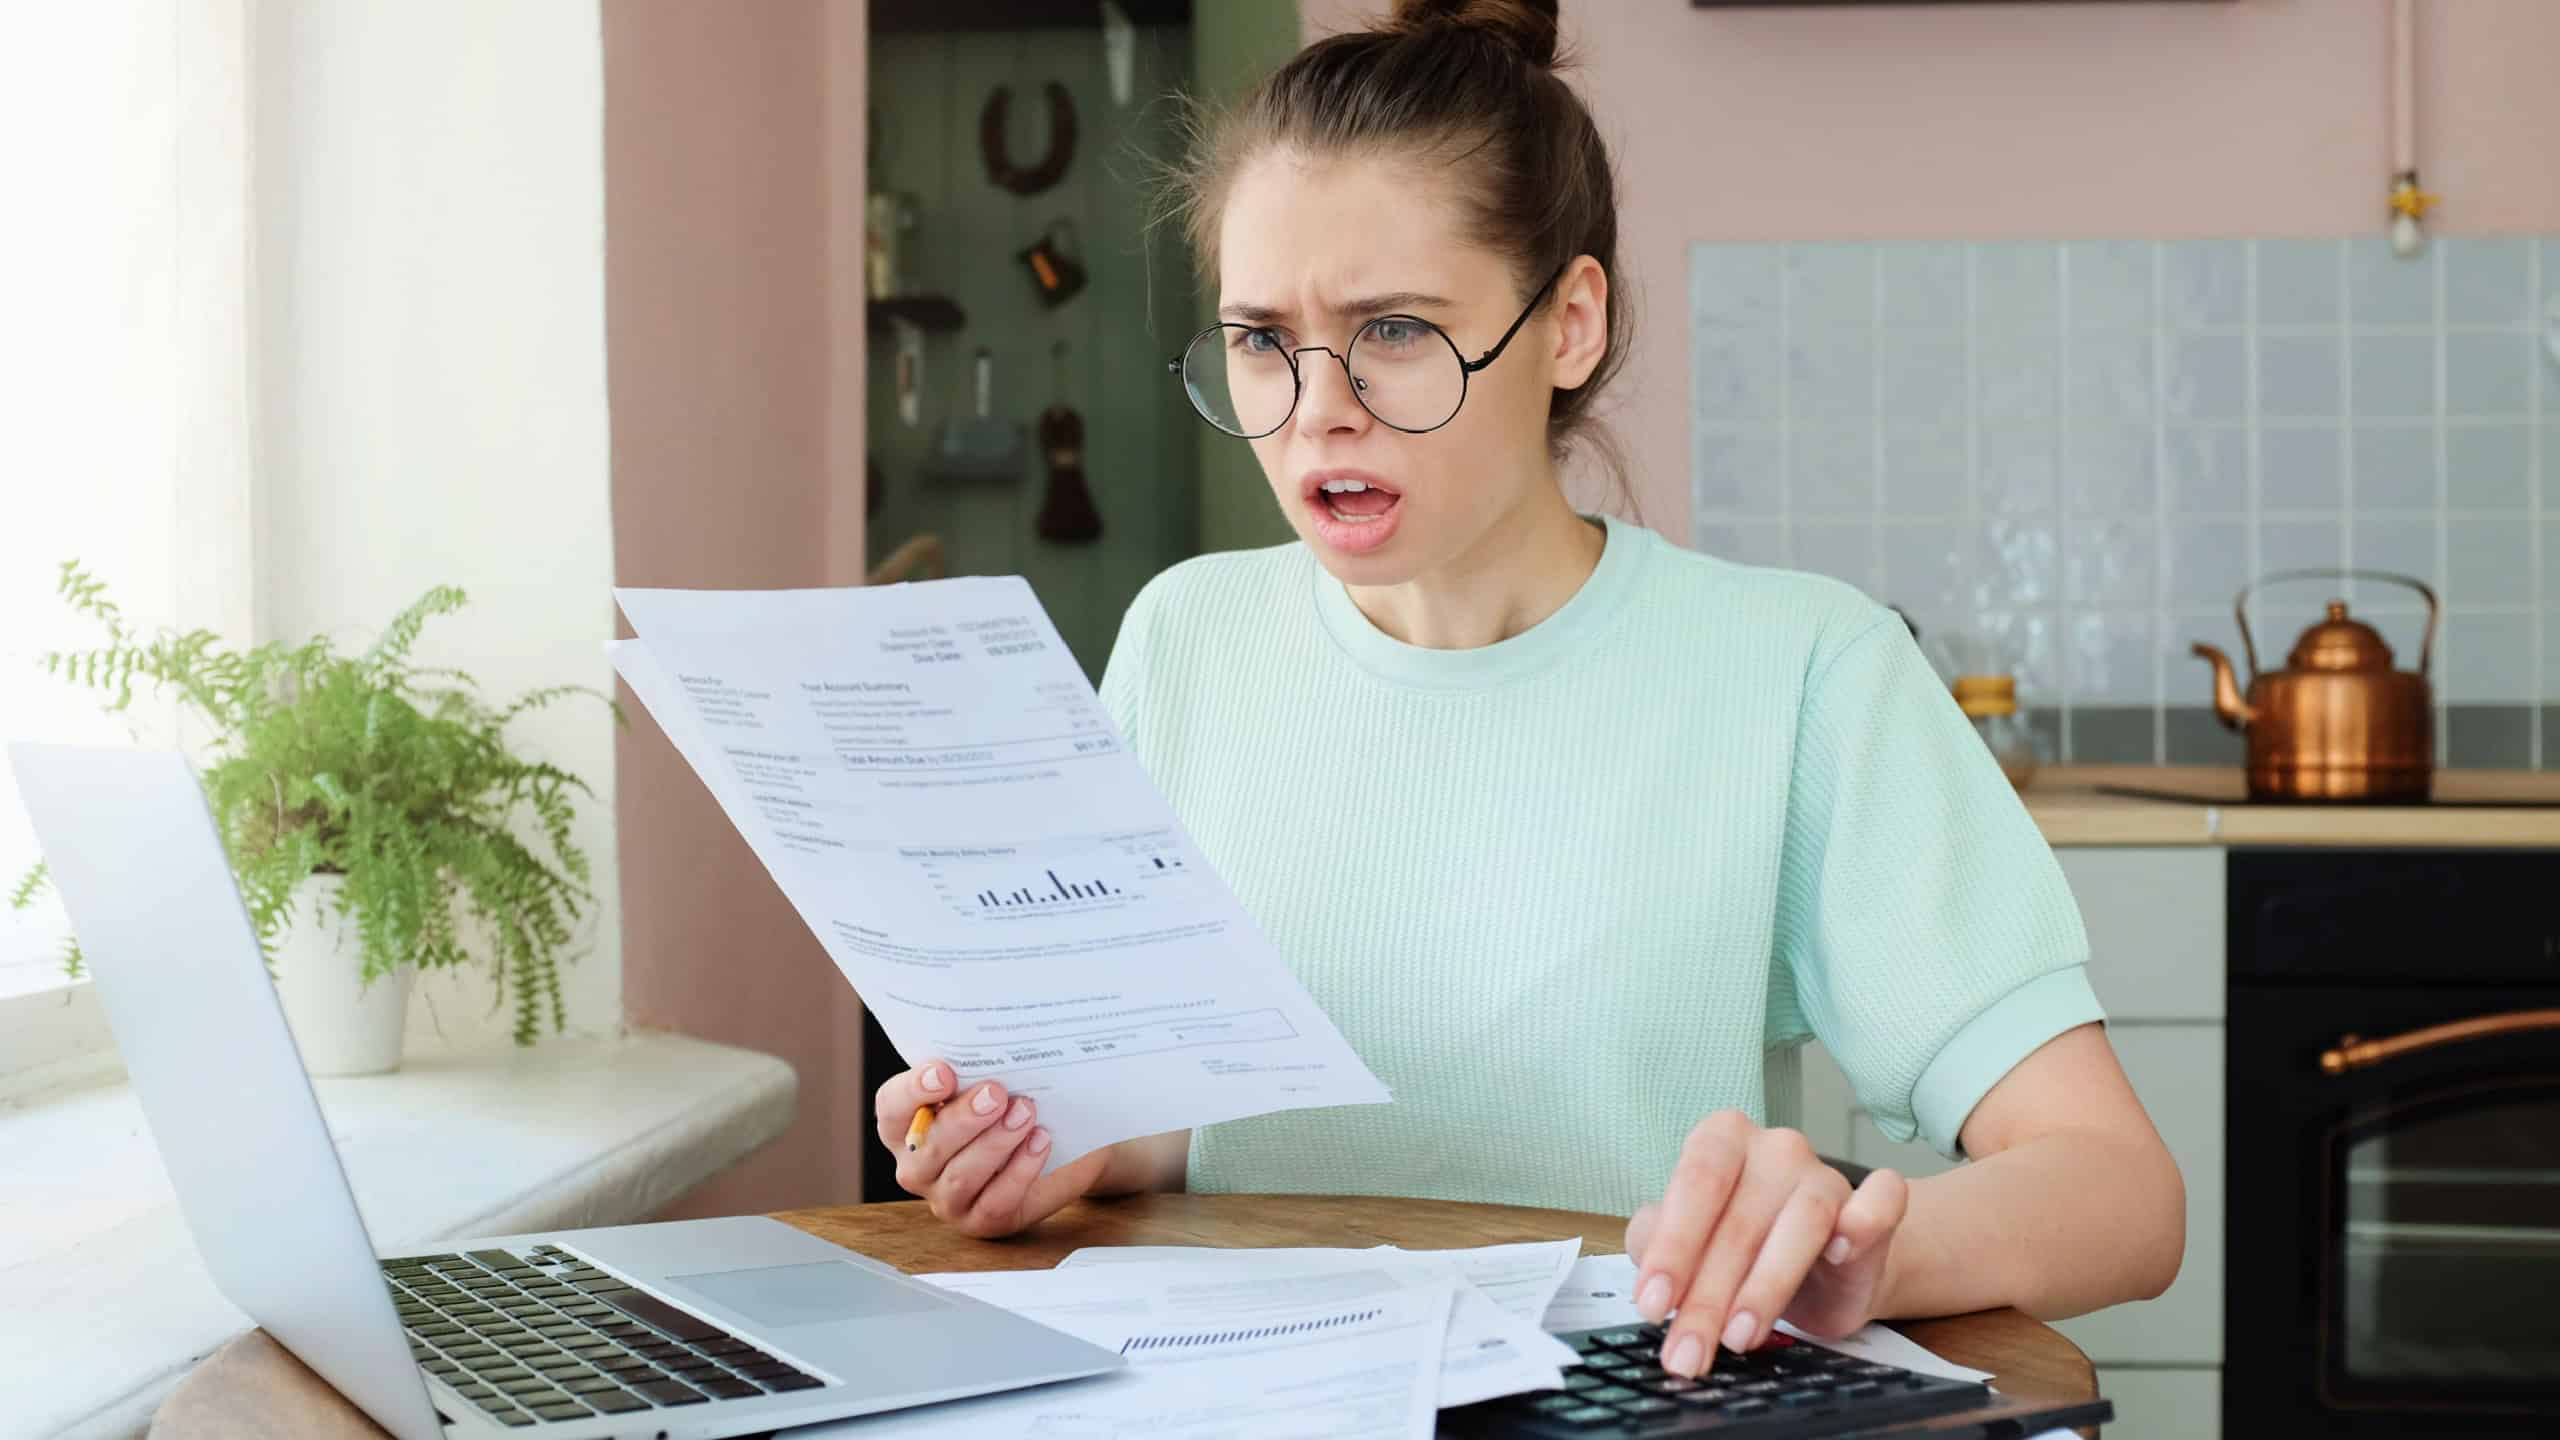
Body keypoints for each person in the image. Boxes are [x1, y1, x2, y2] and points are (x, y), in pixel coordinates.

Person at [872, 0, 2183, 1383]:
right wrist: (1065, 1145)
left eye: (1392, 330)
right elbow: (1183, 1126)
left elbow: (2119, 1193)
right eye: (1260, 339)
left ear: (1567, 323)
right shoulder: (1185, 638)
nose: (1318, 407)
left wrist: (1864, 1249)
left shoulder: (1801, 672)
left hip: (1633, 1404)